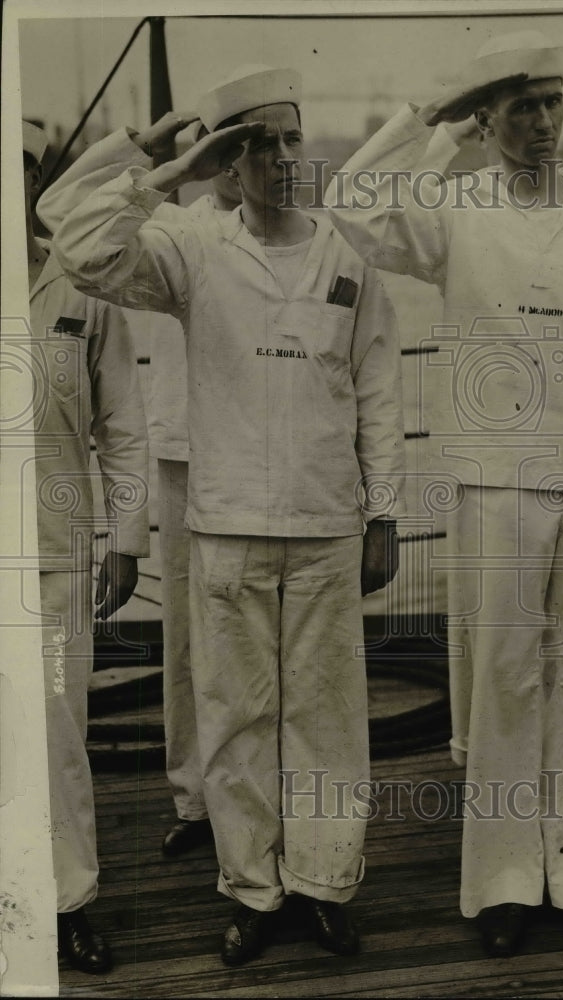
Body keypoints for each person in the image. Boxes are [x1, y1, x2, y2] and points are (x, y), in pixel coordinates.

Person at [325, 31, 563, 955]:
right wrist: (427, 125)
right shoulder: (451, 213)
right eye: (521, 107)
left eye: (553, 104)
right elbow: (351, 204)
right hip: (493, 484)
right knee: (504, 682)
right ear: (486, 120)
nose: (543, 123)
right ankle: (504, 885)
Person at [52, 64, 406, 966]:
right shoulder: (189, 252)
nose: (284, 157)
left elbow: (377, 389)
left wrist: (384, 513)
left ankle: (325, 884)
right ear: (227, 163)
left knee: (325, 715)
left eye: (293, 138)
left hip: (326, 524)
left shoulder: (348, 253)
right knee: (237, 716)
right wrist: (165, 171)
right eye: (259, 144)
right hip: (223, 526)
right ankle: (253, 888)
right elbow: (78, 243)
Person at [38, 110, 243, 859]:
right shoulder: (161, 227)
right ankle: (196, 798)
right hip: (187, 457)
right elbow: (62, 211)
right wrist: (137, 153)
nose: (241, 162)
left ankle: (257, 812)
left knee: (256, 654)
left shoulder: (300, 236)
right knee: (189, 645)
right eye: (228, 146)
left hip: (266, 469)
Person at [24, 120, 150, 974]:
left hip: (52, 549)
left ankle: (65, 901)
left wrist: (127, 537)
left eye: (20, 167)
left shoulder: (80, 281)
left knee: (58, 731)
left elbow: (126, 430)